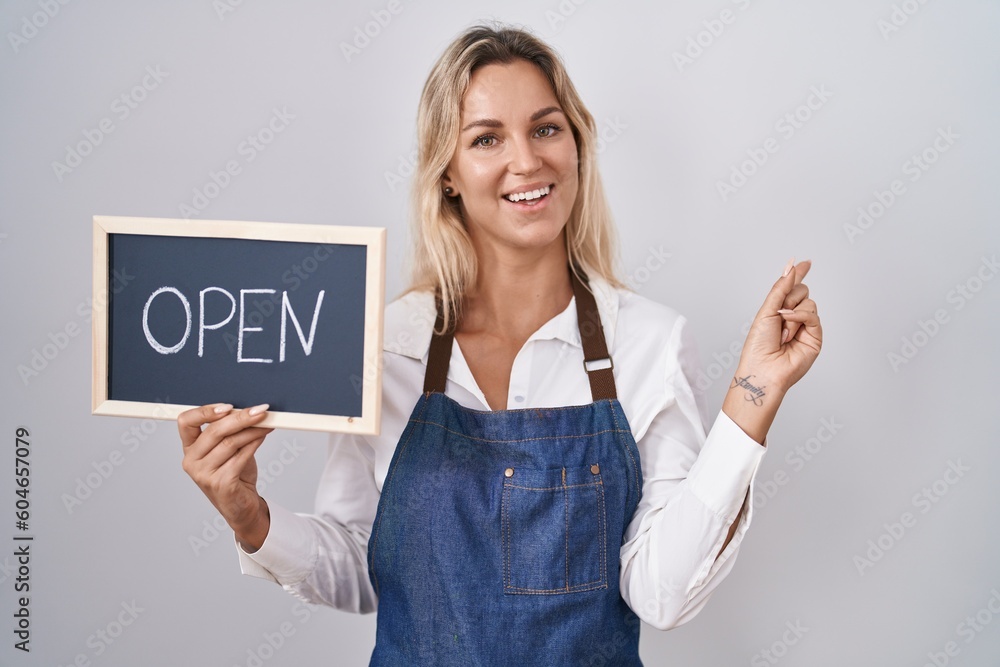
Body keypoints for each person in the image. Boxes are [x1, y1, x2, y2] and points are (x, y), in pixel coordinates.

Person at [178, 24, 822, 666]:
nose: (527, 160)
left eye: (546, 128)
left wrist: (752, 399)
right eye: (487, 138)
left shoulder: (650, 342)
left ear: (576, 147)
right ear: (449, 174)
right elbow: (360, 568)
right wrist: (248, 515)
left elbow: (662, 595)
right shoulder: (384, 350)